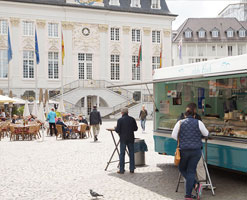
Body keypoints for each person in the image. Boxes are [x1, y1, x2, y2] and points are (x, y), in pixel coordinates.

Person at [172, 105, 209, 200]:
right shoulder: (199, 122)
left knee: (182, 169)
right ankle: (191, 191)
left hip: (183, 150)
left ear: (185, 115)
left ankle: (193, 188)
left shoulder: (180, 123)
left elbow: (173, 135)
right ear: (194, 115)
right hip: (196, 151)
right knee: (191, 171)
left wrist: (182, 139)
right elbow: (206, 134)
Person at [115, 107, 138, 174]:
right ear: (128, 112)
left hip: (123, 139)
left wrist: (116, 128)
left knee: (122, 154)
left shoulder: (120, 120)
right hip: (131, 138)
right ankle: (132, 169)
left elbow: (117, 130)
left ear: (122, 113)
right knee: (131, 153)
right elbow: (135, 128)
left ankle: (121, 169)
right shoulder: (132, 119)